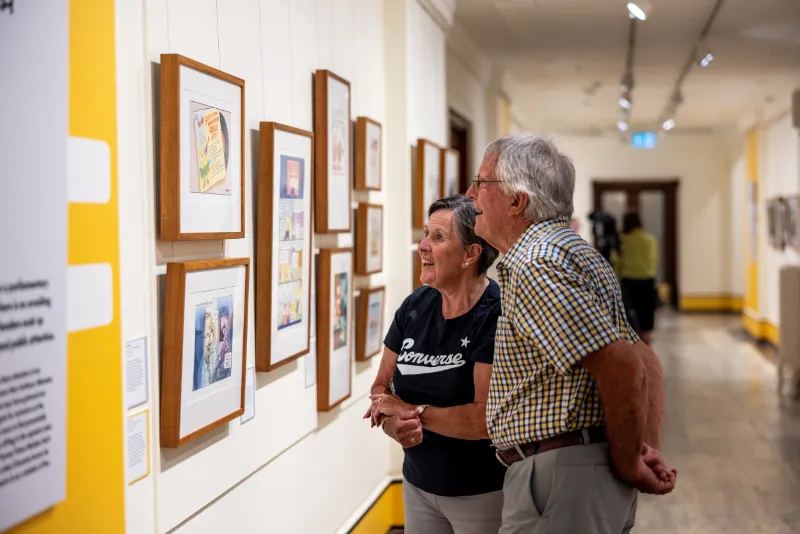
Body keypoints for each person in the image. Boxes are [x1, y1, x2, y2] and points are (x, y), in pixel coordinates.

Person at [466, 133, 677, 534]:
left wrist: (631, 459)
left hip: (557, 478)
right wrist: (643, 448)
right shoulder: (576, 252)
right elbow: (646, 360)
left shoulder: (535, 265)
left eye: (481, 182)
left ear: (517, 200)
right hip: (575, 473)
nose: (470, 193)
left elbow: (623, 365)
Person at [364, 195, 506, 534]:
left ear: (471, 254)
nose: (423, 246)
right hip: (417, 486)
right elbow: (380, 390)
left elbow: (482, 420)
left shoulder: (495, 313)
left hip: (481, 492)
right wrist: (393, 425)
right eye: (426, 234)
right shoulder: (415, 305)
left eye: (438, 237)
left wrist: (410, 411)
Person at [617, 212, 658, 345]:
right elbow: (653, 258)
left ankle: (632, 337)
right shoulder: (650, 239)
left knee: (630, 310)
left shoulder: (623, 240)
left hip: (629, 279)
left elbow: (618, 261)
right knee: (646, 309)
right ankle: (646, 336)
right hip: (647, 278)